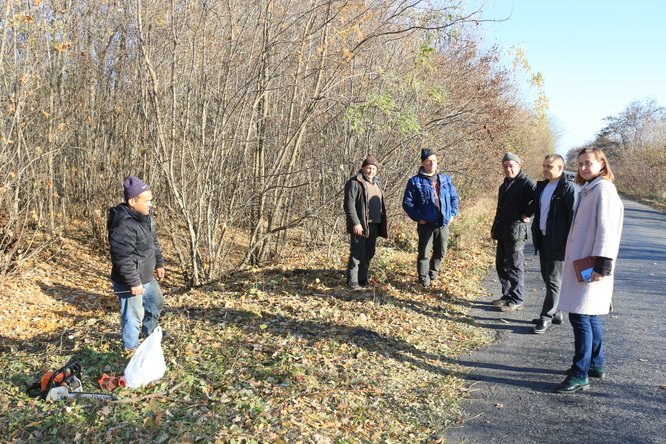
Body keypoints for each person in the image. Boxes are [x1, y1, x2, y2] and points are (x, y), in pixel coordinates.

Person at [554, 147, 623, 394]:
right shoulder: (591, 189)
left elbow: (607, 229)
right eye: (581, 163)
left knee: (580, 316)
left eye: (588, 163)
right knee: (590, 315)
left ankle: (580, 372)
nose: (583, 167)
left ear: (602, 164)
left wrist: (602, 264)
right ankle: (595, 364)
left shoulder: (603, 190)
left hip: (592, 264)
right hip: (585, 262)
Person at [107, 176, 166, 351]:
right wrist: (134, 282)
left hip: (147, 276)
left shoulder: (144, 217)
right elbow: (122, 258)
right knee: (133, 316)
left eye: (151, 200)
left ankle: (150, 335)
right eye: (146, 200)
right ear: (132, 201)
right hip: (130, 281)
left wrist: (159, 263)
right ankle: (131, 350)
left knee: (156, 304)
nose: (150, 204)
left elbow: (152, 242)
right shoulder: (123, 225)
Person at [531, 154, 579, 334]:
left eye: (549, 166)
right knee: (547, 277)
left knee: (553, 280)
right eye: (544, 166)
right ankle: (557, 312)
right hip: (543, 239)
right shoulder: (543, 186)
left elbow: (574, 218)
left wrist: (570, 244)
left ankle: (547, 316)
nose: (545, 169)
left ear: (561, 167)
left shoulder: (568, 188)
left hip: (559, 242)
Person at [402, 148, 459, 288]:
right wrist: (418, 218)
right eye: (428, 161)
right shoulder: (415, 181)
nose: (432, 163)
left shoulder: (445, 179)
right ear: (423, 163)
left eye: (434, 160)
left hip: (443, 222)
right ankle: (423, 279)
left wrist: (452, 214)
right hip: (426, 223)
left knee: (441, 251)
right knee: (424, 253)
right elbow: (407, 203)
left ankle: (433, 273)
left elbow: (454, 198)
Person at [490, 152, 536, 311]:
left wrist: (527, 213)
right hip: (502, 231)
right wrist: (494, 229)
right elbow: (499, 209)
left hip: (516, 232)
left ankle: (517, 299)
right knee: (501, 265)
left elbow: (538, 199)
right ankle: (507, 295)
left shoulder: (526, 182)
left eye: (511, 166)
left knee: (515, 267)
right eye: (505, 166)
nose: (508, 169)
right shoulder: (504, 185)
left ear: (519, 166)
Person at [343, 156, 388, 289]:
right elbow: (349, 205)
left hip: (374, 224)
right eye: (368, 167)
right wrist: (355, 223)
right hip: (360, 225)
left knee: (369, 253)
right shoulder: (354, 183)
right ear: (363, 168)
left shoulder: (377, 183)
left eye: (374, 168)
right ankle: (352, 281)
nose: (371, 171)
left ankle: (362, 279)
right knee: (357, 253)